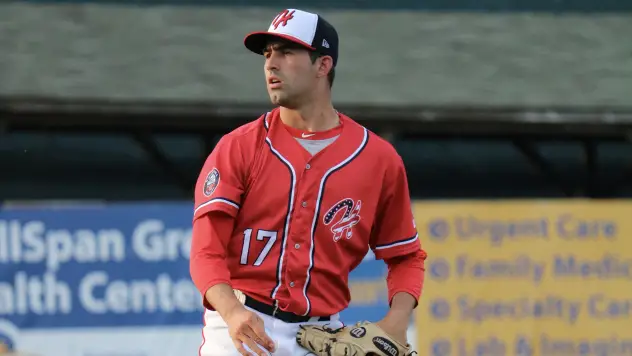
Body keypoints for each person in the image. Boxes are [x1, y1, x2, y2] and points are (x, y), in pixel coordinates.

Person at [190, 8, 427, 356]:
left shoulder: (378, 159)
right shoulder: (238, 147)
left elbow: (406, 256)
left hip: (321, 335)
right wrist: (231, 310)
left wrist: (397, 319)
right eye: (268, 53)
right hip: (240, 326)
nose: (271, 64)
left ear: (323, 65)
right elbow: (205, 251)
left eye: (286, 52)